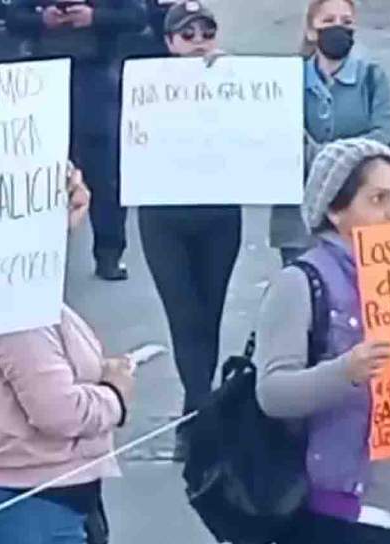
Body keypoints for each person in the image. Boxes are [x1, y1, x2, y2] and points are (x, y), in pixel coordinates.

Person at [255, 138, 390, 543]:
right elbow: (272, 392)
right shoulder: (300, 282)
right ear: (335, 210)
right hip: (339, 514)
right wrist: (347, 371)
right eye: (378, 199)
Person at [0, 168, 129, 544]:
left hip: (3, 494)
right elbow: (58, 412)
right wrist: (114, 394)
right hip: (21, 503)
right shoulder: (10, 297)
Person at [136, 0, 233, 461]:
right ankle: (200, 415)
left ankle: (197, 411)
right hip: (164, 220)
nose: (198, 43)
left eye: (206, 34)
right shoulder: (149, 85)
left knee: (209, 314)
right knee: (184, 315)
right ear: (170, 42)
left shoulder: (234, 82)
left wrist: (232, 80)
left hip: (219, 217)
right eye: (187, 35)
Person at [7, 0, 146, 281]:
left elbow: (136, 17)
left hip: (95, 75)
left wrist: (95, 17)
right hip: (42, 76)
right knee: (42, 170)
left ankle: (109, 254)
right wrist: (42, 20)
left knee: (104, 172)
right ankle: (41, 256)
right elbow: (12, 19)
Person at [270, 0, 390, 265]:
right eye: (328, 21)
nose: (338, 28)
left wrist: (336, 156)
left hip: (356, 215)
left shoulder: (371, 77)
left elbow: (388, 131)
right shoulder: (286, 79)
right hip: (296, 220)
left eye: (346, 22)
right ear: (311, 31)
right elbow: (273, 133)